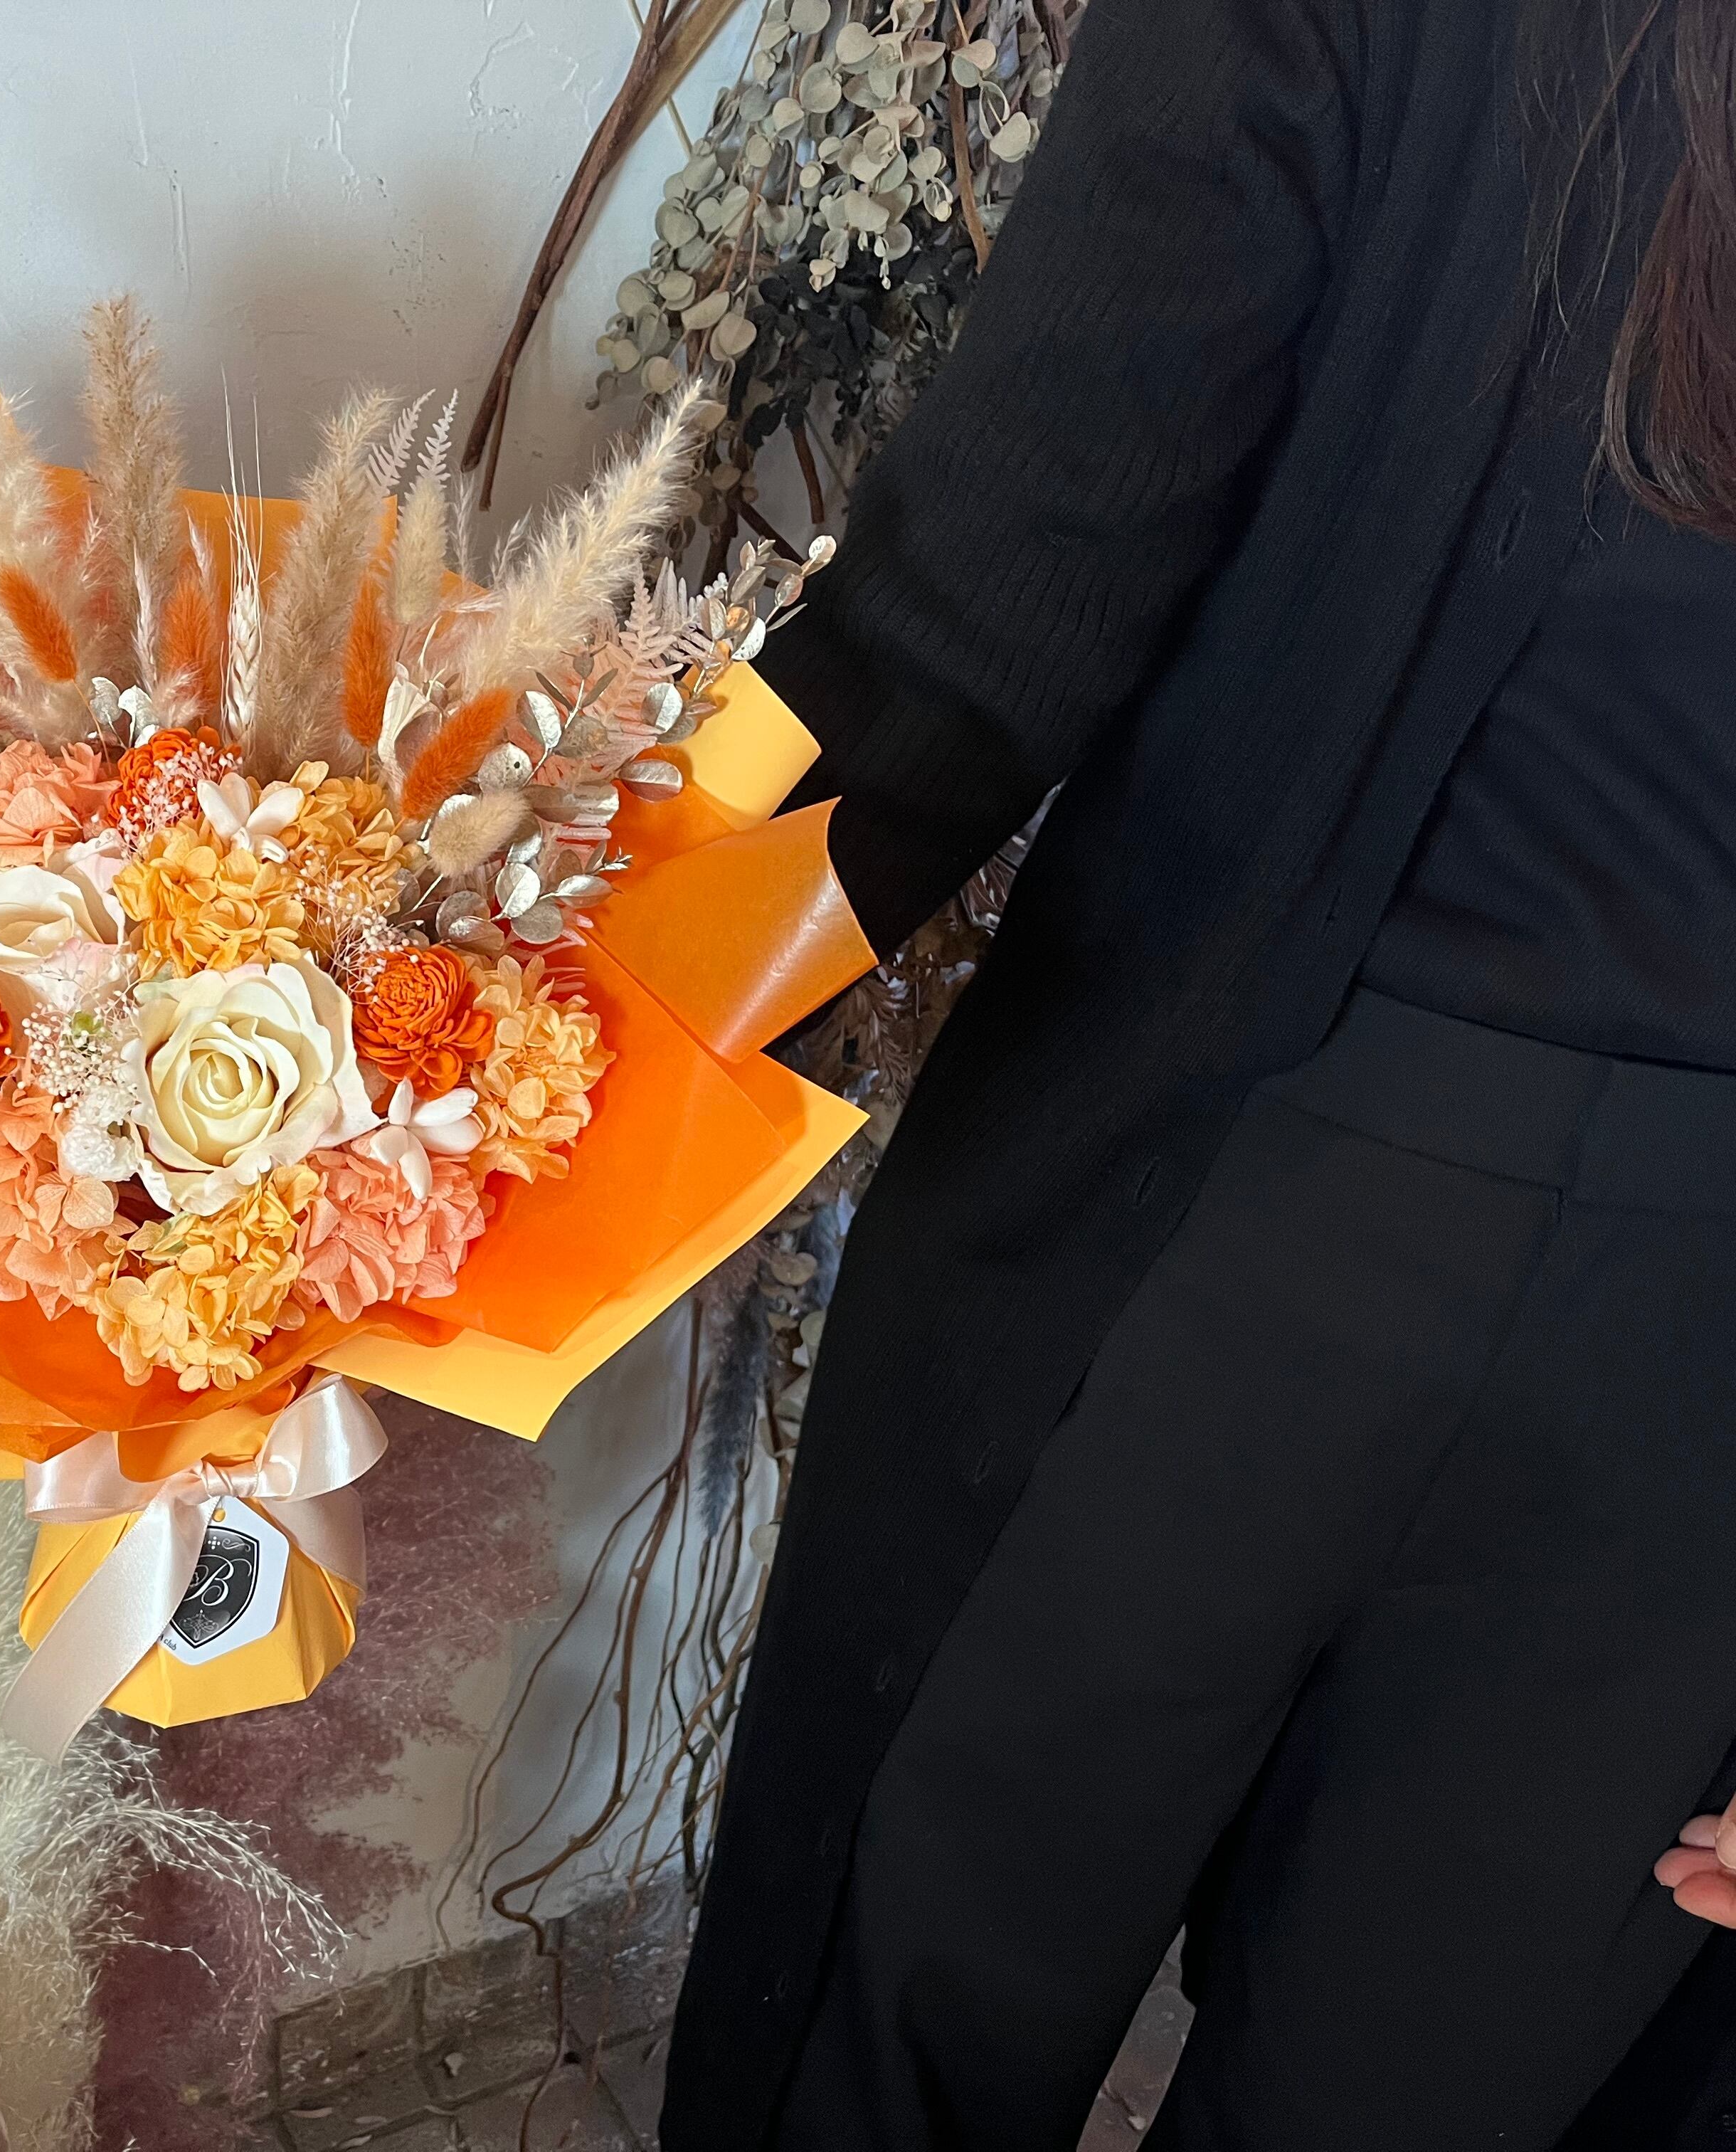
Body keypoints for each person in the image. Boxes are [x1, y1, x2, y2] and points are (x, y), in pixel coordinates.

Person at [660, 0, 1736, 2143]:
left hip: (1207, 1213)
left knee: (875, 2068)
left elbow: (971, 624)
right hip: (1685, 1411)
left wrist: (491, 1039)